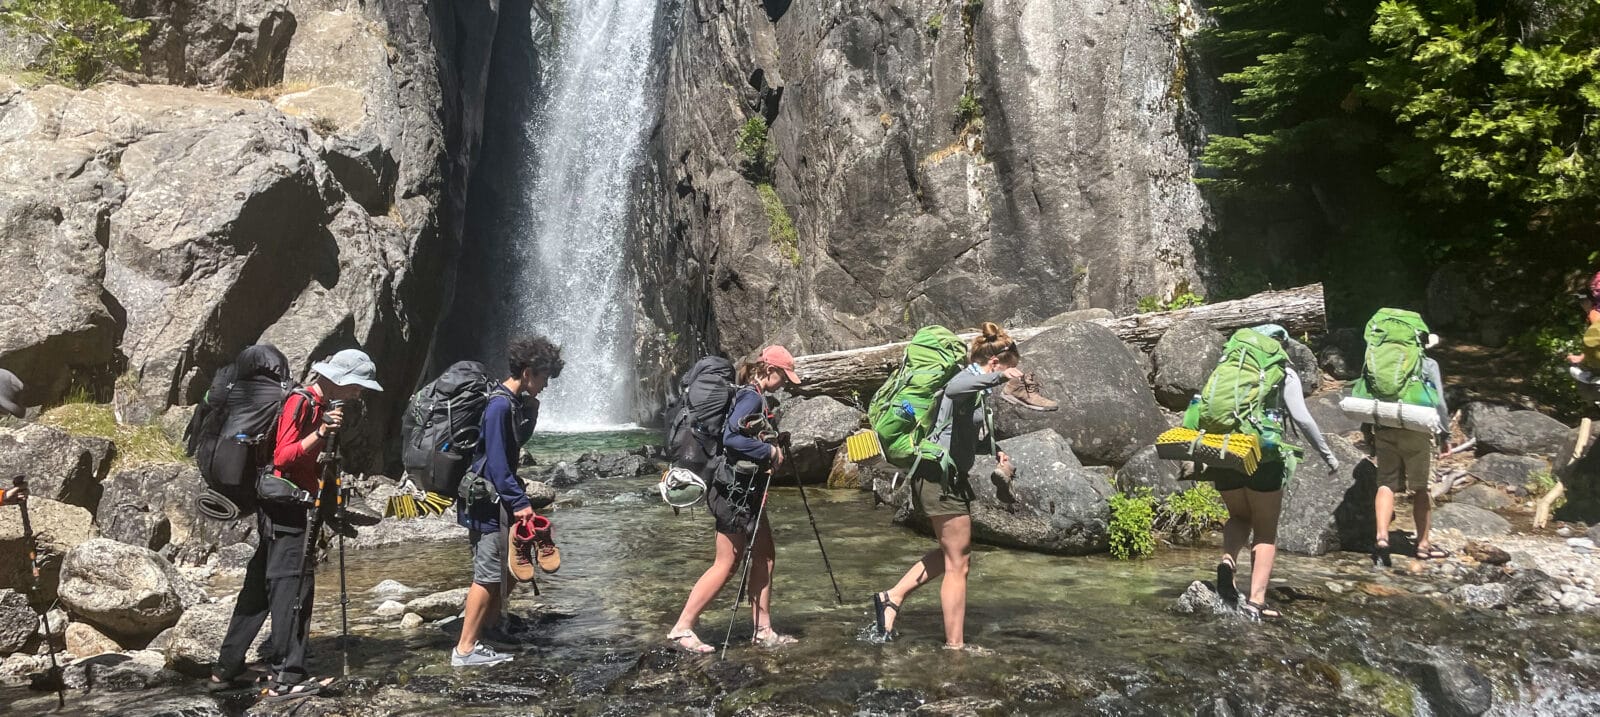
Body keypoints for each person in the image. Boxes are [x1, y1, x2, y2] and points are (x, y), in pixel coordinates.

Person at [212, 349, 382, 699]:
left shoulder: (319, 406)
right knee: (294, 590)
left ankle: (225, 670)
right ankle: (287, 676)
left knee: (259, 589)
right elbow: (283, 456)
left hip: (281, 506)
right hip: (287, 509)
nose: (359, 392)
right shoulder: (302, 403)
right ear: (339, 379)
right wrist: (320, 433)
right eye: (357, 386)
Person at [871, 323, 1020, 650]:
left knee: (953, 554)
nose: (1012, 375)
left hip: (947, 475)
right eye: (1010, 368)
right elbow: (955, 389)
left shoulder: (975, 387)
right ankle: (955, 647)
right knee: (959, 562)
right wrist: (1000, 379)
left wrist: (991, 450)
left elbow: (952, 431)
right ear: (995, 364)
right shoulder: (965, 379)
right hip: (937, 476)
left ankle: (891, 597)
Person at [666, 345, 800, 653]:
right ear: (769, 371)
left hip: (744, 489)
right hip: (733, 492)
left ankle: (763, 630)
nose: (786, 385)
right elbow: (731, 438)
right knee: (728, 563)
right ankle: (682, 627)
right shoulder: (751, 396)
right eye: (784, 377)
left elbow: (742, 434)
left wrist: (770, 442)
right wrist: (769, 451)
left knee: (765, 554)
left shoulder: (747, 393)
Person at [1208, 325, 1337, 620]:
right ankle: (1256, 602)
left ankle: (1228, 563)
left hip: (1226, 451)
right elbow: (1302, 419)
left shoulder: (1228, 366)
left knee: (1240, 517)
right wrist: (1328, 455)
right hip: (1263, 457)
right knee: (1265, 530)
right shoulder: (1283, 373)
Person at [451, 335, 564, 667]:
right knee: (487, 574)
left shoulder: (510, 402)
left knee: (512, 567)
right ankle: (466, 649)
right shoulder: (499, 404)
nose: (545, 385)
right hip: (487, 500)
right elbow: (498, 461)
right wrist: (519, 502)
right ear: (528, 372)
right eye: (544, 377)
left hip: (496, 496)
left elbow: (514, 443)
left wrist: (532, 412)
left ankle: (489, 627)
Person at [1372, 334, 1451, 564]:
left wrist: (1368, 432)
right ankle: (1423, 544)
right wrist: (1445, 434)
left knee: (1386, 482)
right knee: (1421, 488)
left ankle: (1382, 537)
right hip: (1418, 430)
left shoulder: (1380, 360)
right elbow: (1440, 402)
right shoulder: (1427, 363)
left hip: (1385, 426)